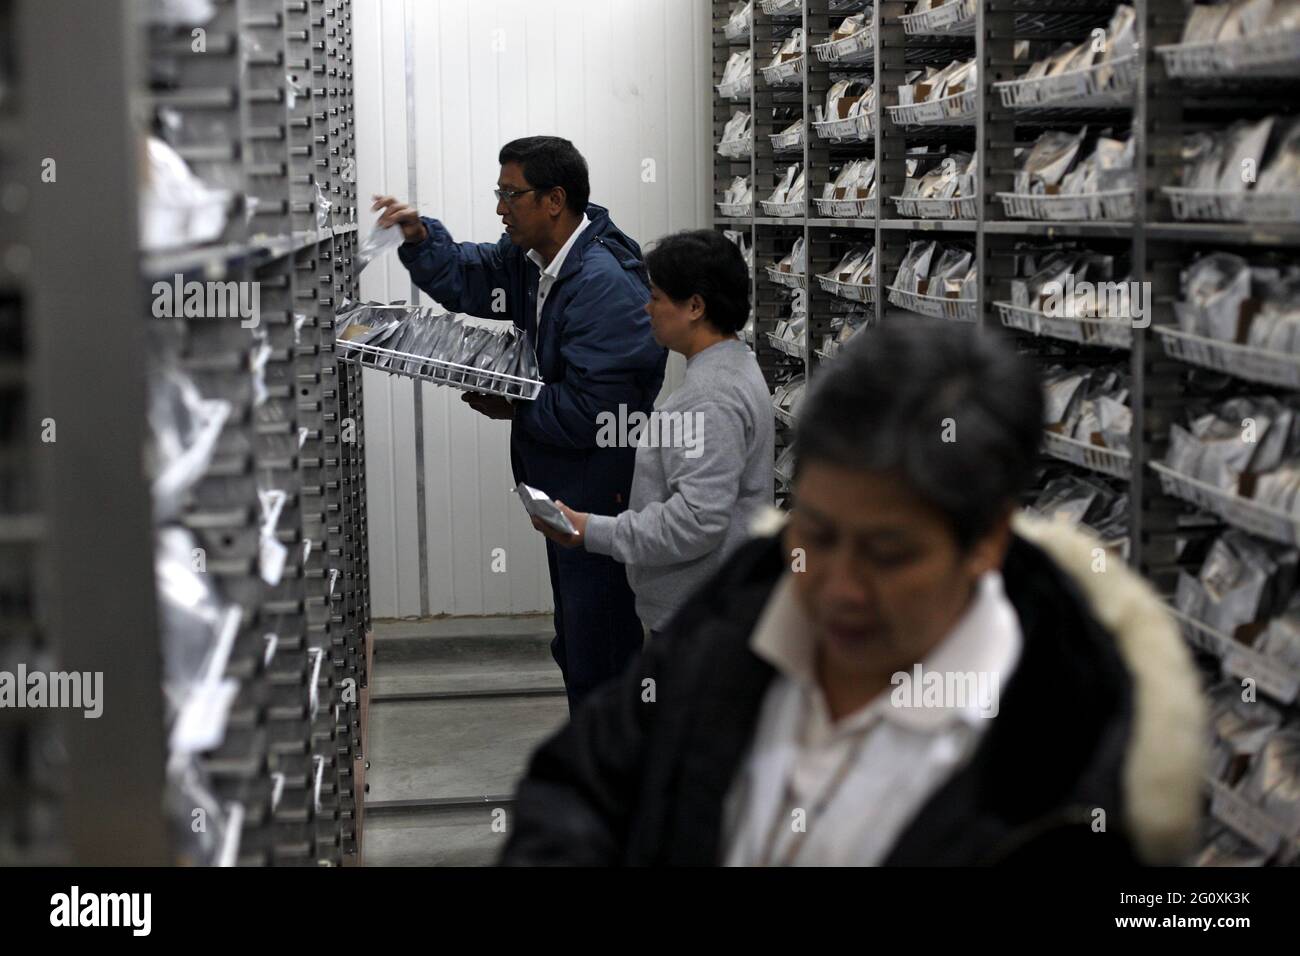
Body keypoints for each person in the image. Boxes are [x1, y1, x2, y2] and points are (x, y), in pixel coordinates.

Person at [500, 319, 1206, 865]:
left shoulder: (1066, 766)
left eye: (888, 553)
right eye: (820, 532)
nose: (837, 587)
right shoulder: (739, 610)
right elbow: (581, 782)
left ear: (987, 541)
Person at [372, 136, 666, 709]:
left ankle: (618, 774)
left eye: (512, 194)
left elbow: (599, 413)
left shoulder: (601, 284)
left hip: (599, 487)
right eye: (499, 192)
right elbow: (473, 275)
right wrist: (420, 237)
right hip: (567, 483)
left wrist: (516, 404)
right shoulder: (539, 261)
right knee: (578, 639)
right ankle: (602, 764)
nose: (500, 207)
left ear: (554, 200)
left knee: (599, 642)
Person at [528, 230, 774, 641]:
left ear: (694, 306)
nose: (647, 308)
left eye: (657, 297)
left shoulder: (710, 395)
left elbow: (697, 522)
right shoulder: (731, 368)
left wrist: (590, 530)